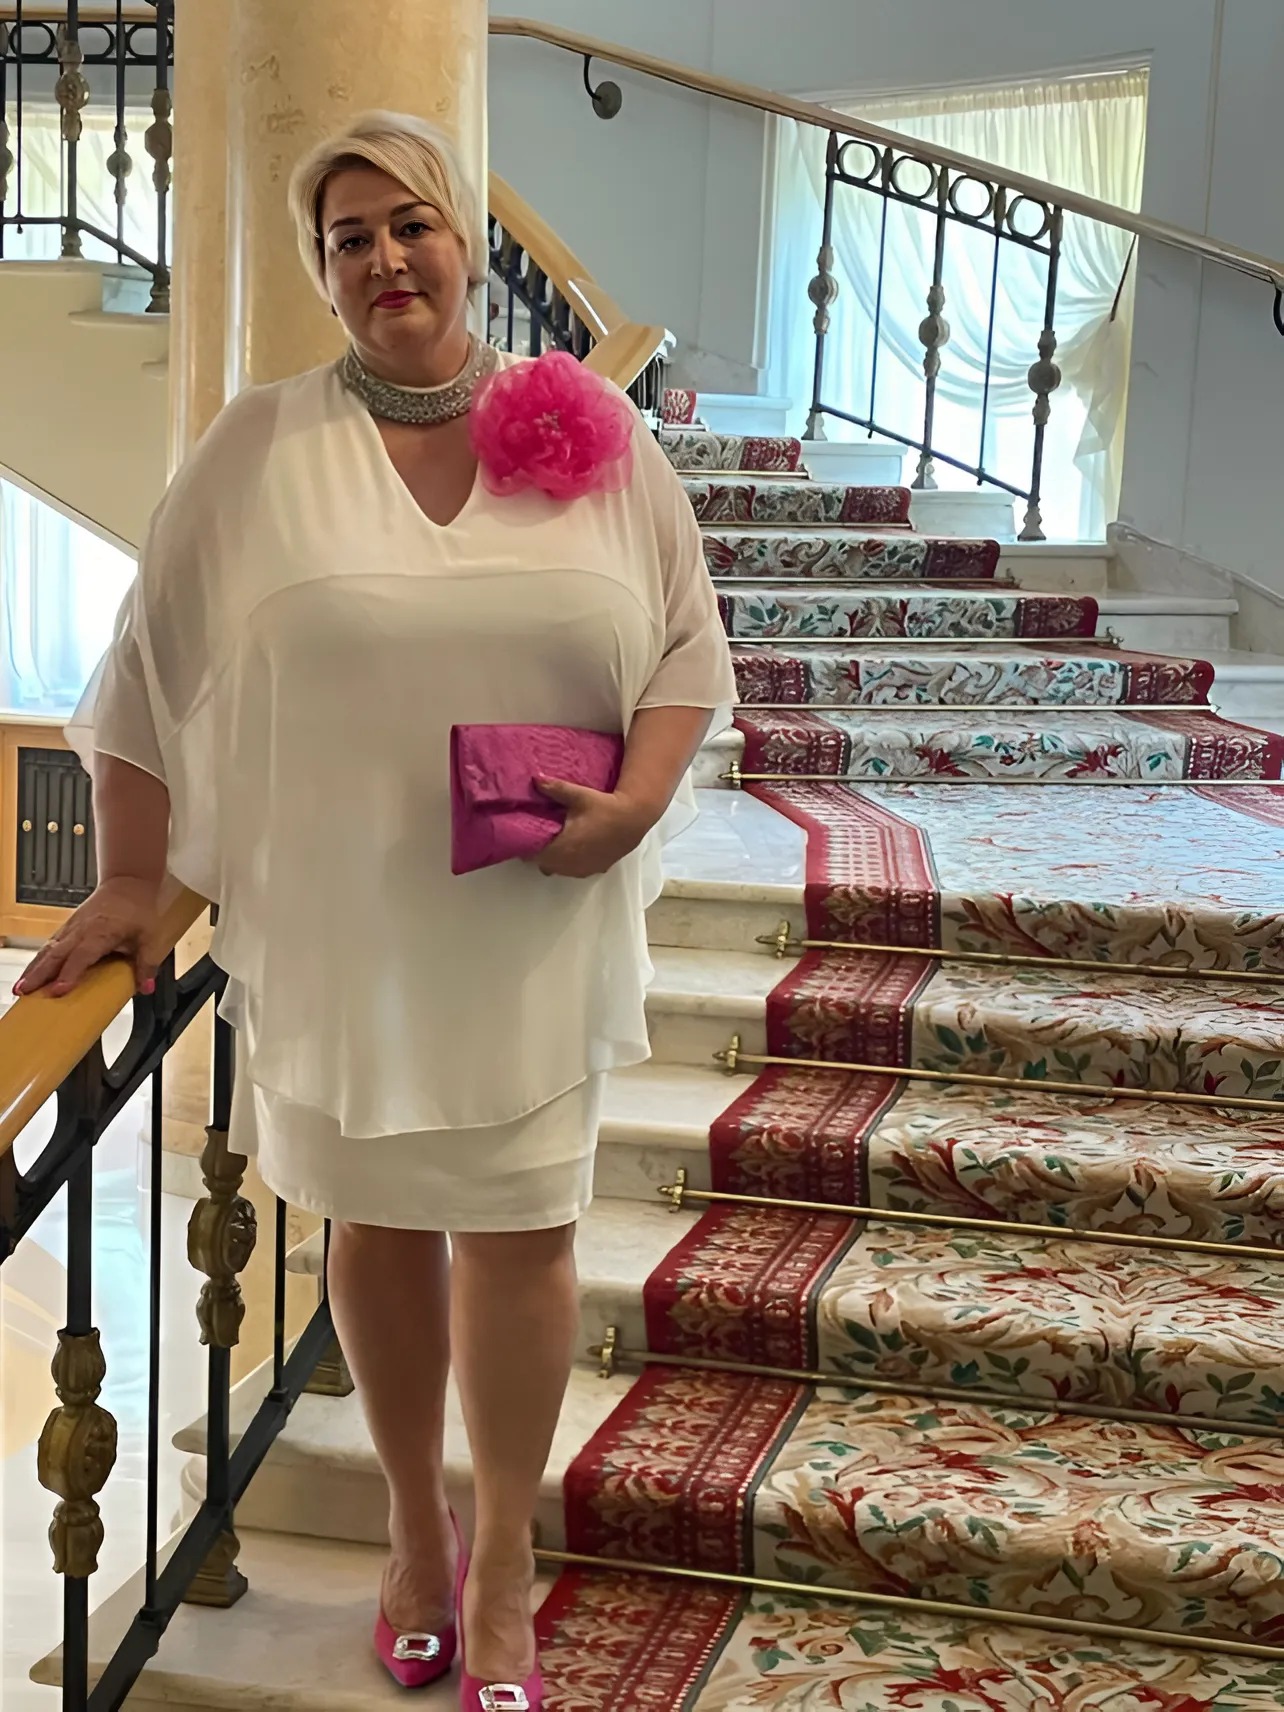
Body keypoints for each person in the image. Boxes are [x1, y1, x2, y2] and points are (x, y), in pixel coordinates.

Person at [16, 112, 735, 1710]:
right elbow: (143, 673)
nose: (385, 258)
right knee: (381, 1226)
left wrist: (634, 803)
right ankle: (415, 1529)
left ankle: (506, 1556)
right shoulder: (258, 446)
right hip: (342, 930)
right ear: (323, 273)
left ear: (467, 244)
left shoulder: (594, 431)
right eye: (349, 239)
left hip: (530, 919)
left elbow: (689, 647)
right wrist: (131, 877)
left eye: (411, 225)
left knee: (525, 1234)